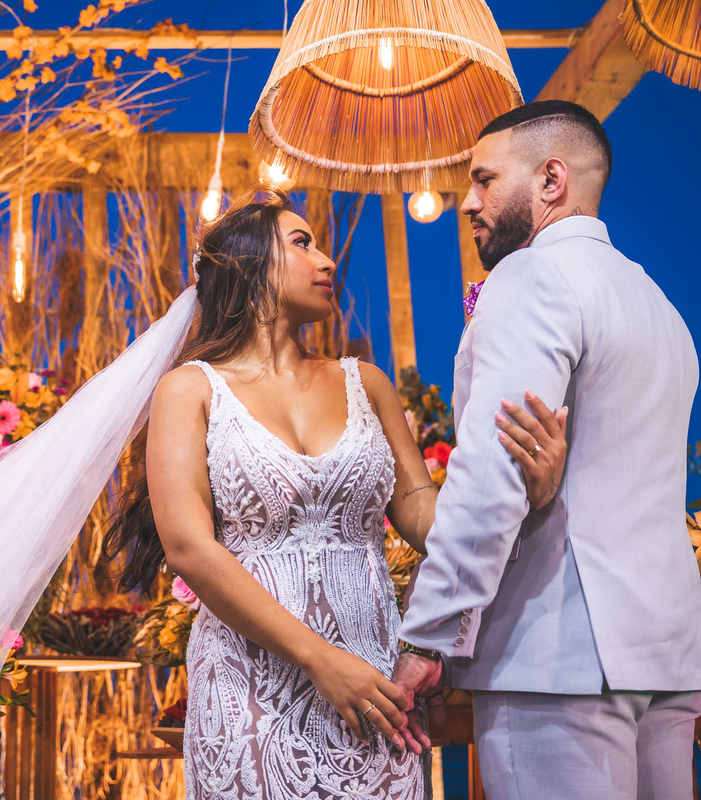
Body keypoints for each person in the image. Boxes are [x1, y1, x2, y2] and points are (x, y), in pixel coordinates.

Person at [103, 187, 568, 800]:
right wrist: (320, 659)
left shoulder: (366, 382)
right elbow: (190, 548)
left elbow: (426, 518)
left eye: (321, 244)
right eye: (302, 243)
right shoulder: (189, 390)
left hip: (375, 681)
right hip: (250, 684)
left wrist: (523, 490)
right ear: (247, 267)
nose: (327, 261)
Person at [390, 100, 701, 799]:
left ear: (551, 179)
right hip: (666, 654)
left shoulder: (534, 278)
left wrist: (428, 636)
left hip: (560, 653)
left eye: (484, 180)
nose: (467, 201)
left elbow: (493, 472)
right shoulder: (655, 302)